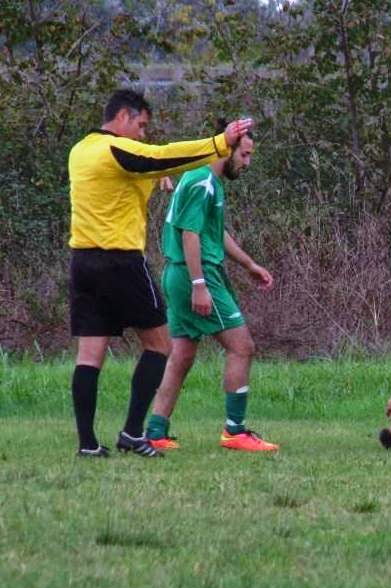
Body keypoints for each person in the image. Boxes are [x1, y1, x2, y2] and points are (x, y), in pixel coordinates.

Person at [69, 88, 253, 458]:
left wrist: (151, 178)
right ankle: (133, 433)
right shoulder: (116, 148)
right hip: (120, 262)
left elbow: (119, 180)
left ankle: (88, 444)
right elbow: (160, 156)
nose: (142, 134)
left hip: (82, 262)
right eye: (140, 125)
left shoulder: (81, 150)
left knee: (89, 356)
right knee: (160, 345)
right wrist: (219, 143)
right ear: (123, 116)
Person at [142, 129, 278, 452]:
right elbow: (190, 234)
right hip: (196, 274)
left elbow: (213, 232)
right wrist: (199, 285)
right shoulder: (202, 180)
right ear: (226, 149)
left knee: (182, 355)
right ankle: (235, 431)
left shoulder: (206, 180)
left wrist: (248, 264)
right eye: (244, 154)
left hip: (180, 274)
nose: (247, 162)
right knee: (242, 347)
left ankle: (156, 431)